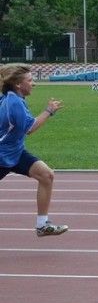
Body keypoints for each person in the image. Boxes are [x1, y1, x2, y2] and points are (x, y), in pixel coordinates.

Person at [0, 63, 68, 237]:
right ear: (18, 84)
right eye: (30, 80)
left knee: (46, 175)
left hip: (15, 153)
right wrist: (48, 111)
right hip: (2, 156)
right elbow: (29, 128)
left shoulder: (12, 98)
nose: (34, 83)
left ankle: (42, 224)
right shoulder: (13, 101)